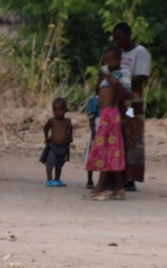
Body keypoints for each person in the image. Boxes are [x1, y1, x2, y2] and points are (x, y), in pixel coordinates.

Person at [83, 45, 132, 201]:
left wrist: (115, 83)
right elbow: (98, 92)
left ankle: (100, 188)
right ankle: (118, 188)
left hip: (111, 114)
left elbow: (127, 95)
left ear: (119, 60)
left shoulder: (123, 73)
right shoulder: (105, 71)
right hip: (103, 114)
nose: (107, 63)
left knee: (105, 149)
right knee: (112, 149)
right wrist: (100, 80)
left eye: (110, 60)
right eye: (105, 60)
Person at [112, 22, 151, 191]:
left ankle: (130, 178)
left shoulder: (140, 53)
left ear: (128, 35)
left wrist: (118, 81)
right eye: (115, 38)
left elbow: (140, 78)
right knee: (117, 134)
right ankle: (117, 175)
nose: (117, 41)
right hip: (118, 100)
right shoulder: (117, 52)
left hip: (131, 103)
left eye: (119, 38)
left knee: (131, 134)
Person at [41, 97, 73, 186]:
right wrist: (46, 137)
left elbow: (70, 129)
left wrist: (70, 136)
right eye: (55, 110)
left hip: (64, 147)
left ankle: (57, 179)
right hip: (53, 146)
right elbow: (45, 128)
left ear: (65, 110)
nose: (57, 112)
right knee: (50, 163)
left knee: (59, 165)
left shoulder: (67, 121)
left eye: (60, 110)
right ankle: (49, 180)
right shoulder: (52, 121)